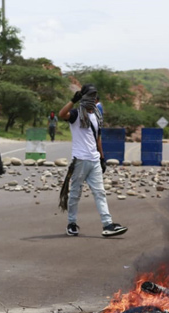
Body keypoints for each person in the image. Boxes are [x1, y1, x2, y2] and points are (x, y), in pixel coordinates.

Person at [58, 84, 127, 238]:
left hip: (94, 160)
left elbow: (97, 138)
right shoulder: (76, 114)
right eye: (91, 96)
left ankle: (108, 225)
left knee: (100, 193)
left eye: (95, 97)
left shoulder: (96, 116)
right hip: (80, 160)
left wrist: (102, 158)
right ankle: (71, 224)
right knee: (75, 193)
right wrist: (72, 100)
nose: (94, 100)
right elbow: (62, 114)